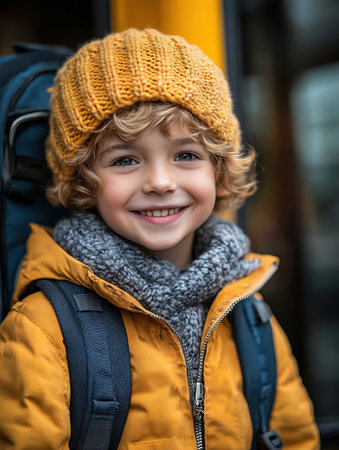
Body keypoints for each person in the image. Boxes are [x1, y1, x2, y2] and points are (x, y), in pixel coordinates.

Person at [0, 28, 319, 449]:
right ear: (83, 180)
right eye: (125, 159)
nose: (160, 182)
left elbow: (295, 437)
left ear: (219, 171)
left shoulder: (246, 312)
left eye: (186, 155)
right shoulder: (44, 327)